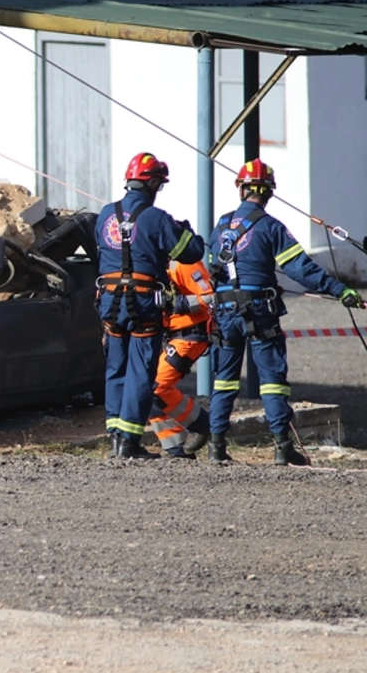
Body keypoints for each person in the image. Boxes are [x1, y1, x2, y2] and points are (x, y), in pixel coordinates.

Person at [206, 159, 363, 465]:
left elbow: (217, 270)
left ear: (240, 189)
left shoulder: (221, 226)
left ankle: (215, 446)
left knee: (224, 379)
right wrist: (339, 290)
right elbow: (300, 269)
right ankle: (281, 447)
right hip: (259, 312)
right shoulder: (270, 227)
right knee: (272, 380)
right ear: (268, 194)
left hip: (225, 313)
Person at [94, 152, 204, 459]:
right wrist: (183, 229)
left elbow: (102, 253)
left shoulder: (104, 214)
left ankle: (116, 438)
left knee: (115, 367)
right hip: (142, 303)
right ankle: (129, 442)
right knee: (140, 370)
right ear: (152, 183)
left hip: (110, 303)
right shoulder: (157, 218)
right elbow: (191, 251)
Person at [146, 259, 214, 458]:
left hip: (190, 336)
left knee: (156, 387)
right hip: (170, 335)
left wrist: (178, 303)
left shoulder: (185, 264)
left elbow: (209, 297)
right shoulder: (152, 263)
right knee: (149, 390)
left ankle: (203, 426)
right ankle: (177, 447)